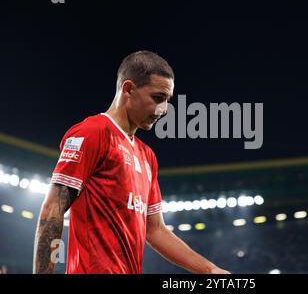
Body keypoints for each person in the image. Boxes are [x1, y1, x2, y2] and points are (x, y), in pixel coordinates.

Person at [33, 50, 230, 274]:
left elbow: (155, 230)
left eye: (167, 101)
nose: (163, 110)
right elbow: (52, 211)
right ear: (128, 89)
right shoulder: (92, 133)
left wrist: (210, 270)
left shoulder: (147, 156)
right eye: (157, 98)